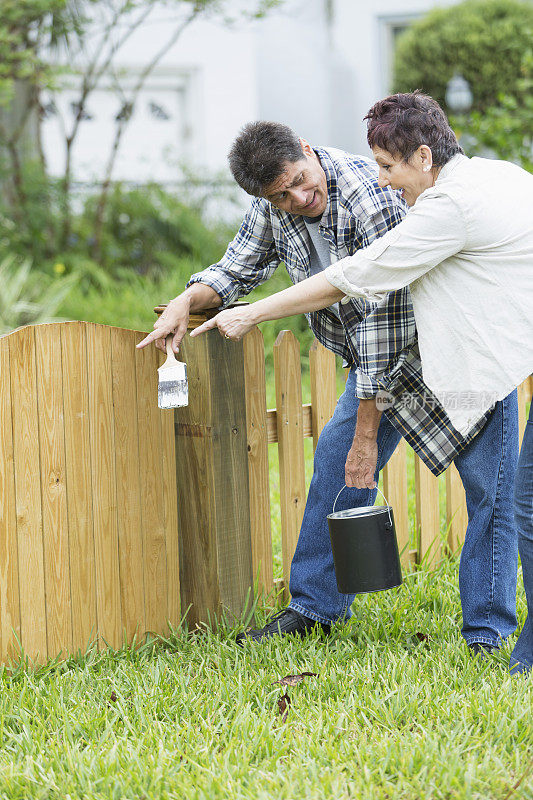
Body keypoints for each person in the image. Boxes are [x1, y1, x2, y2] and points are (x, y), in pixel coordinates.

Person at [137, 120, 519, 655]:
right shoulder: (276, 205)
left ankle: (488, 631)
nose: (298, 197)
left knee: (490, 492)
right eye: (281, 194)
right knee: (335, 473)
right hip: (375, 365)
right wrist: (185, 300)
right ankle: (314, 608)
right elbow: (233, 271)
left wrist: (367, 438)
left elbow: (382, 328)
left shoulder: (372, 198)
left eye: (299, 179)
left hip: (454, 354)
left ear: (309, 150)